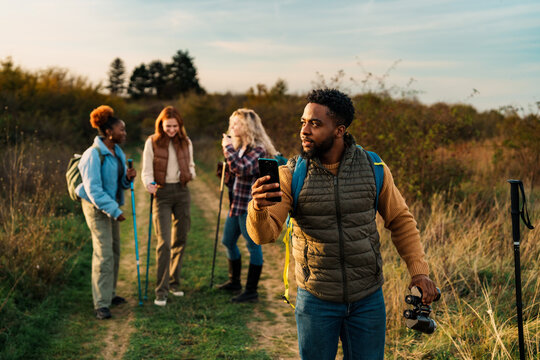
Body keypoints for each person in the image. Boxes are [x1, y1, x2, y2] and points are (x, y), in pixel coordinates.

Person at [247, 89, 439, 359]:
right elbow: (264, 236)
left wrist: (419, 272)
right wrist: (258, 208)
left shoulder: (373, 167)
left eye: (315, 123)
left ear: (339, 130)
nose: (304, 130)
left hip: (367, 299)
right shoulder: (291, 175)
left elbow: (400, 221)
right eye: (303, 122)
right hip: (316, 299)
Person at [77, 105, 136, 320]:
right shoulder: (92, 155)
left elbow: (117, 183)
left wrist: (127, 178)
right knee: (103, 255)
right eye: (122, 130)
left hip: (110, 207)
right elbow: (93, 189)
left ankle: (110, 294)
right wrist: (114, 210)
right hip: (96, 208)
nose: (124, 133)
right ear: (109, 132)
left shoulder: (117, 152)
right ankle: (100, 304)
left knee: (115, 250)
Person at [217, 108, 278, 303]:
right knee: (228, 241)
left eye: (237, 124)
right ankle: (234, 282)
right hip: (236, 203)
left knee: (253, 246)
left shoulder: (258, 148)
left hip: (250, 206)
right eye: (232, 123)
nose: (232, 127)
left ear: (248, 127)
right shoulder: (240, 146)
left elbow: (241, 168)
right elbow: (235, 171)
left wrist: (227, 148)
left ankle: (251, 291)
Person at [141, 106, 196, 307]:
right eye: (167, 126)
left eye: (174, 126)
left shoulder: (186, 142)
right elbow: (146, 170)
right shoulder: (152, 142)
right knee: (164, 242)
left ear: (179, 125)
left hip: (182, 192)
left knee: (180, 238)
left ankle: (174, 282)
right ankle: (161, 290)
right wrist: (149, 184)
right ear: (161, 125)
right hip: (162, 193)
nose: (171, 129)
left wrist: (189, 175)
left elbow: (191, 167)